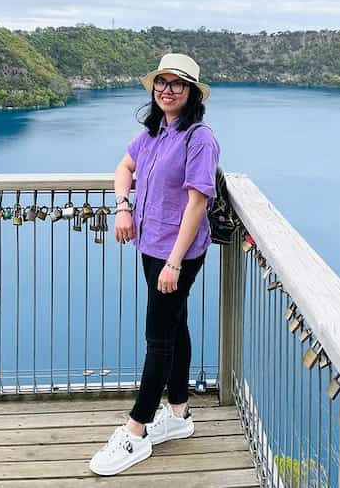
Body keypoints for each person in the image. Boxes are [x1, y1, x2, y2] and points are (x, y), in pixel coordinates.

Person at [89, 53, 220, 476]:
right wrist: (123, 206)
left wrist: (175, 264)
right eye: (161, 83)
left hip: (175, 253)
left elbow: (198, 203)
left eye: (177, 84)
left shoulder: (199, 138)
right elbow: (123, 168)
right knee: (175, 326)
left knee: (158, 337)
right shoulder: (152, 133)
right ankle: (179, 414)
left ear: (192, 93)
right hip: (149, 244)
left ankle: (136, 431)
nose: (167, 90)